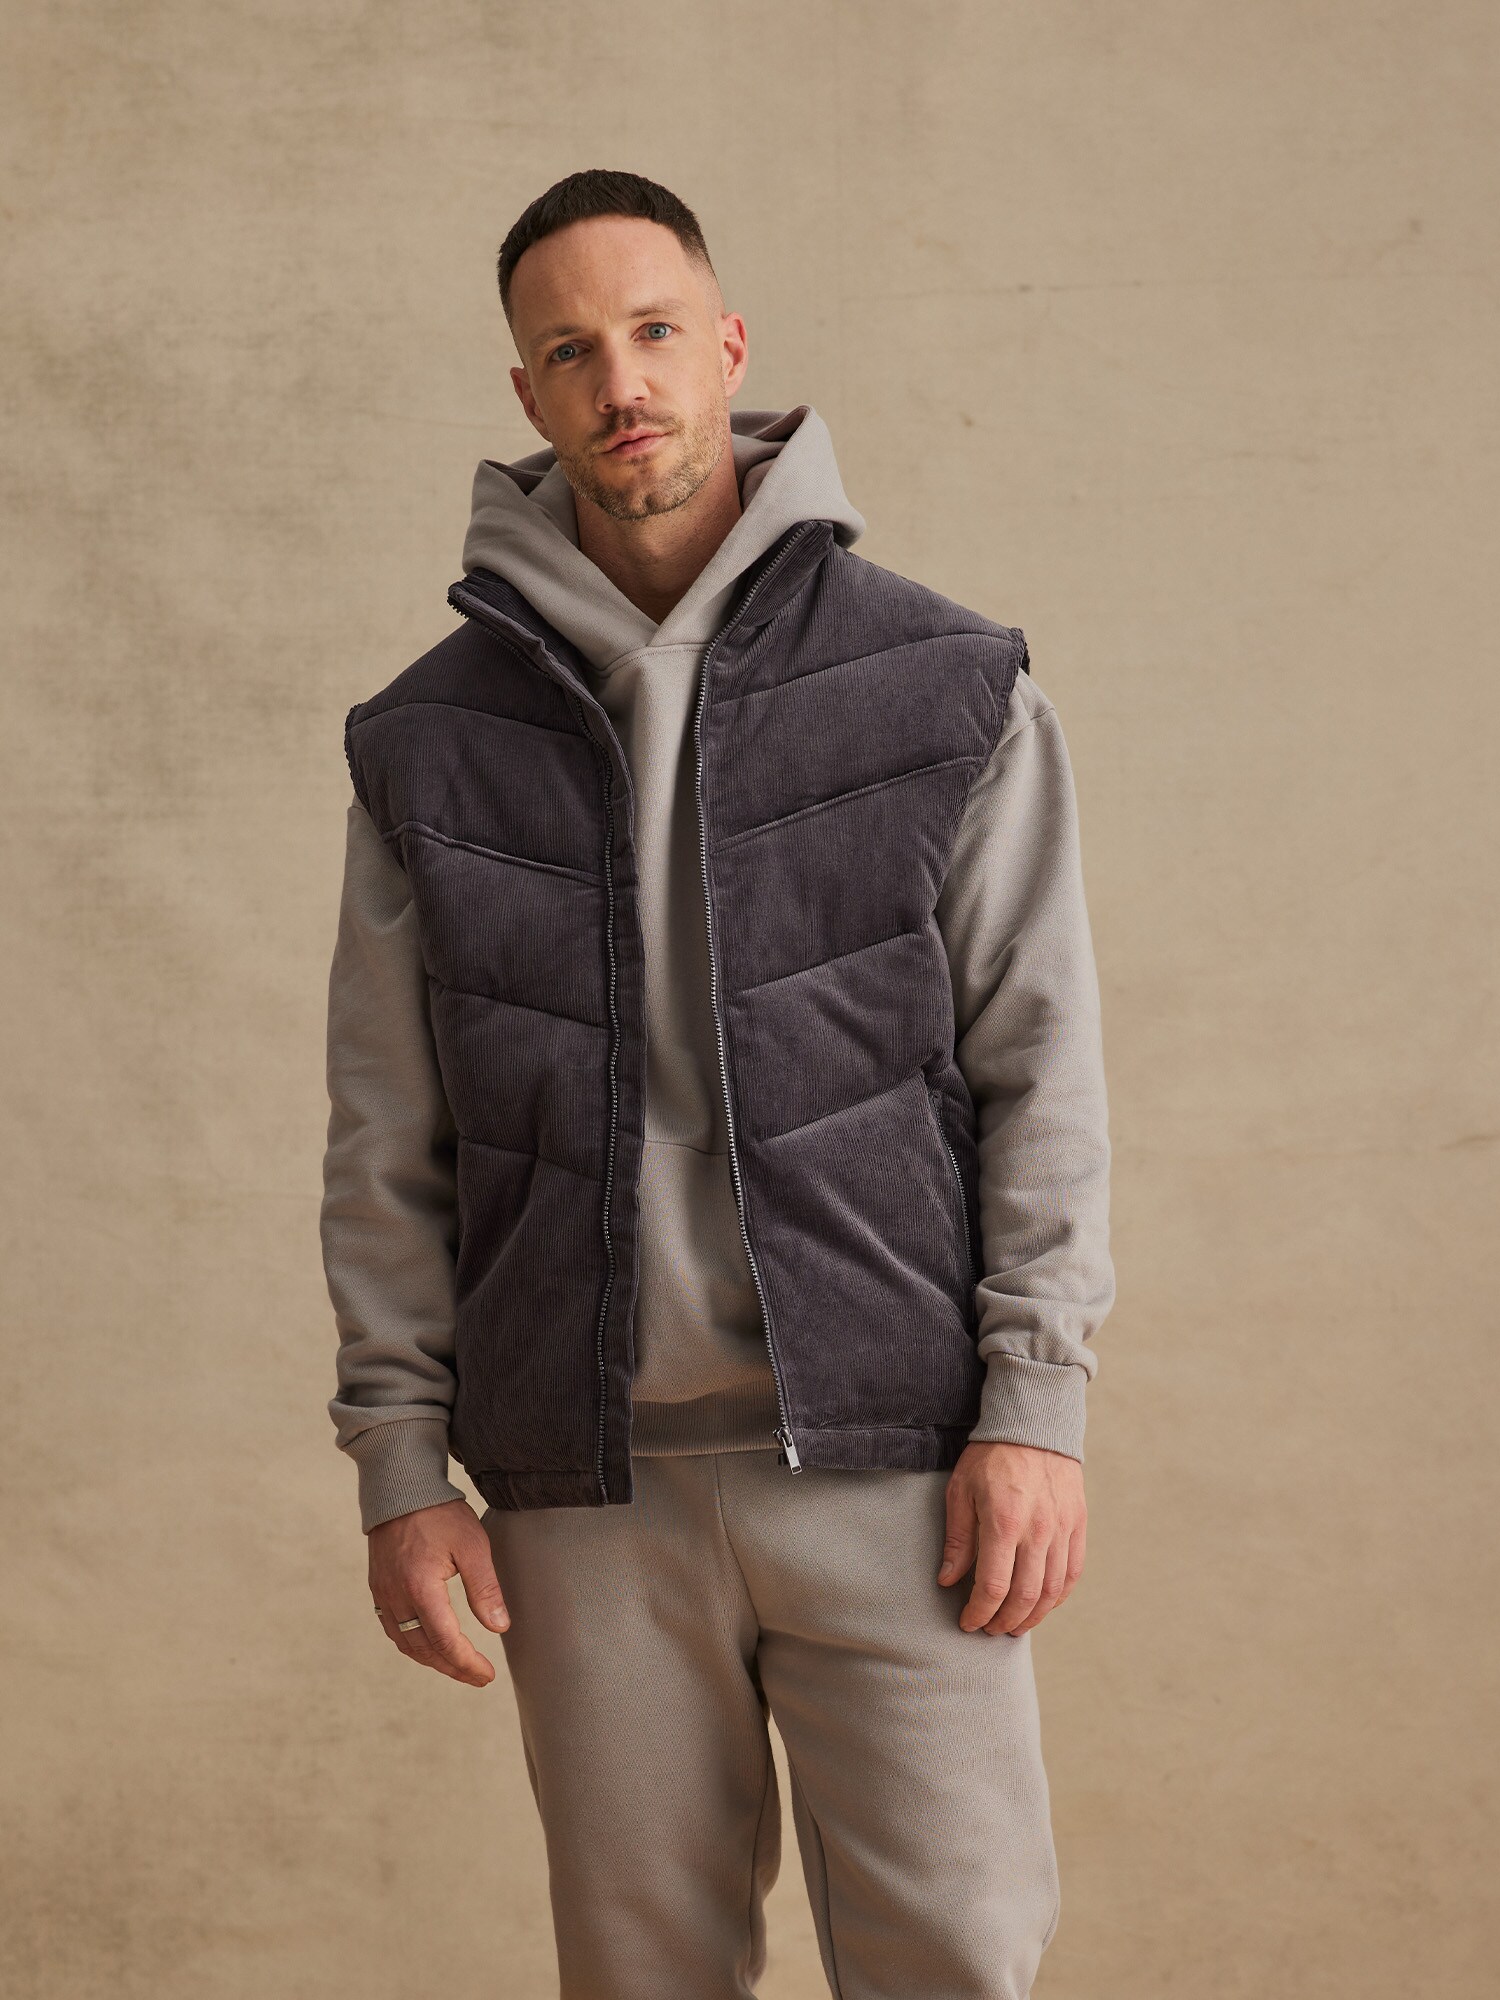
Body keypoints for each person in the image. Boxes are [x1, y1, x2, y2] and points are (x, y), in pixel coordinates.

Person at [320, 167, 1115, 2000]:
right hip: (583, 1488)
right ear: (526, 394)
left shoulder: (945, 686)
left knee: (957, 1957)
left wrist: (1036, 1407)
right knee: (642, 1974)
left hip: (896, 1461)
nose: (623, 383)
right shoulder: (426, 743)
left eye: (656, 330)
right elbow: (386, 1137)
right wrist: (398, 1466)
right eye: (570, 352)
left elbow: (1043, 1069)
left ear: (730, 346)